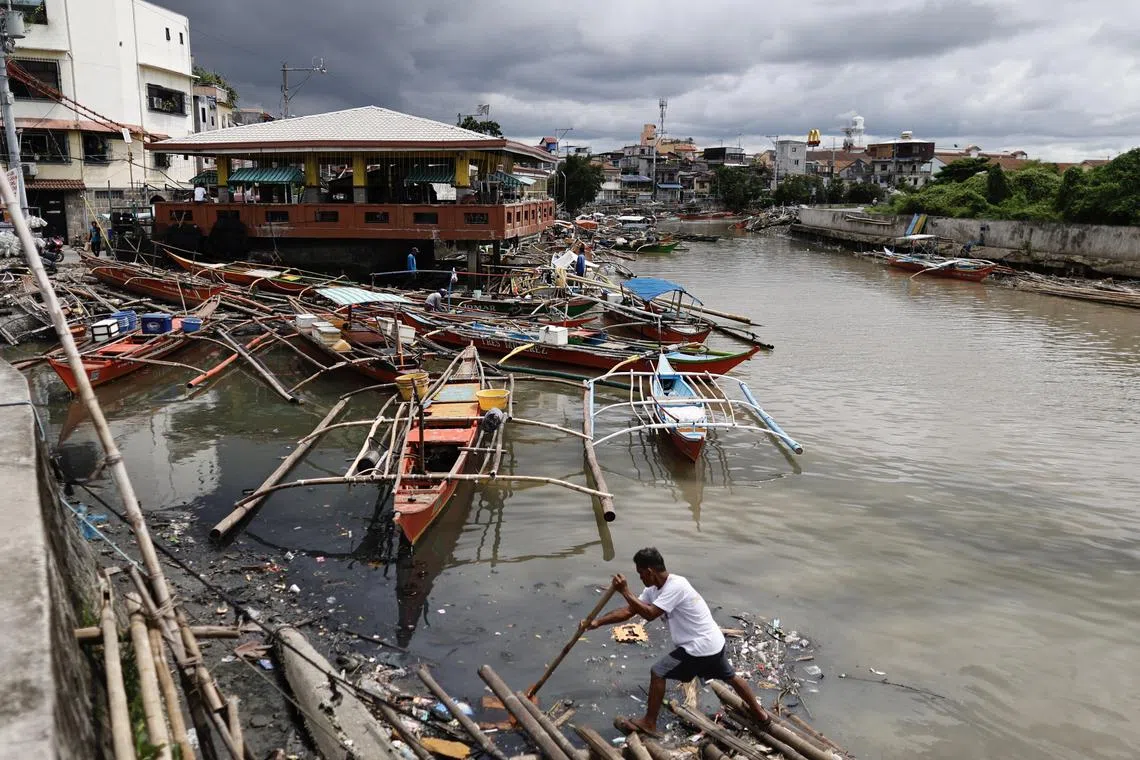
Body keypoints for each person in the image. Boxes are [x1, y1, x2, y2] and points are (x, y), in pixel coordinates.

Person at [587, 548, 773, 735]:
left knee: (658, 672)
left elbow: (650, 614)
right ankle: (761, 716)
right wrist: (597, 622)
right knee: (730, 676)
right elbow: (629, 611)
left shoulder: (676, 586)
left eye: (641, 574)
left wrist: (625, 591)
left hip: (699, 647)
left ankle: (649, 723)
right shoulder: (653, 590)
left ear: (650, 572)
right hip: (713, 641)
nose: (641, 579)